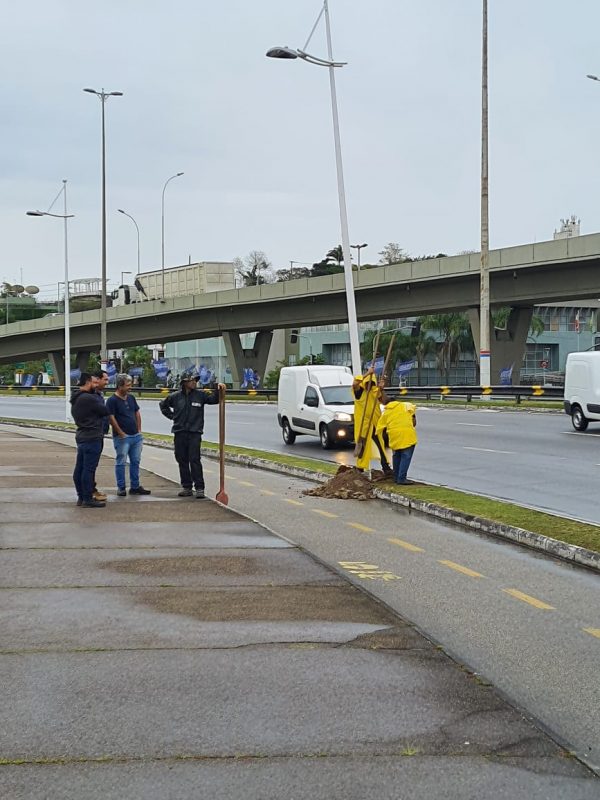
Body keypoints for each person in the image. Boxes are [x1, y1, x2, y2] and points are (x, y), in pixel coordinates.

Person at [159, 370, 225, 498]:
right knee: (182, 460)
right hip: (179, 432)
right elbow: (163, 405)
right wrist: (173, 417)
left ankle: (199, 488)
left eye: (195, 380)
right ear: (184, 382)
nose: (194, 382)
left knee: (194, 460)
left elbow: (214, 400)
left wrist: (217, 389)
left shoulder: (200, 395)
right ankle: (187, 487)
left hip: (195, 433)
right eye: (192, 380)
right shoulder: (175, 397)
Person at [106, 374, 151, 497]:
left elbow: (136, 413)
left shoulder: (131, 398)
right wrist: (120, 433)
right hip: (122, 438)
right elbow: (111, 417)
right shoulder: (112, 401)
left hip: (135, 436)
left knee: (135, 461)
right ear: (120, 386)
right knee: (121, 461)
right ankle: (121, 487)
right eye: (127, 385)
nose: (130, 387)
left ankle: (135, 486)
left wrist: (139, 430)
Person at [70, 372, 110, 508]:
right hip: (92, 436)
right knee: (88, 469)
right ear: (87, 382)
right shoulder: (90, 398)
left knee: (80, 468)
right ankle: (87, 498)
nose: (96, 385)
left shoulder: (76, 397)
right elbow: (105, 411)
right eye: (93, 382)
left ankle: (81, 496)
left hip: (82, 435)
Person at [352, 366, 392, 476]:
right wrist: (367, 373)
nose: (370, 385)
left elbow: (385, 401)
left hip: (375, 423)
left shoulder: (375, 391)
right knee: (362, 446)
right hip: (363, 425)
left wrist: (381, 389)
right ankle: (360, 468)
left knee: (380, 445)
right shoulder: (359, 391)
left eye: (372, 383)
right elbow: (355, 384)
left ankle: (386, 467)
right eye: (368, 383)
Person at [376, 399, 418, 485]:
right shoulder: (406, 405)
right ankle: (402, 478)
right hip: (407, 436)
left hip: (394, 436)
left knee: (396, 456)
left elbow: (379, 427)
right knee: (406, 456)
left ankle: (396, 477)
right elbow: (414, 422)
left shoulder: (386, 412)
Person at [92, 369, 110, 502]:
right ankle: (89, 492)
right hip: (92, 434)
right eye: (105, 379)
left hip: (99, 433)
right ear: (97, 380)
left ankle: (91, 490)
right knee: (89, 466)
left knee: (93, 464)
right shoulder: (91, 396)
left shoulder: (99, 394)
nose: (107, 382)